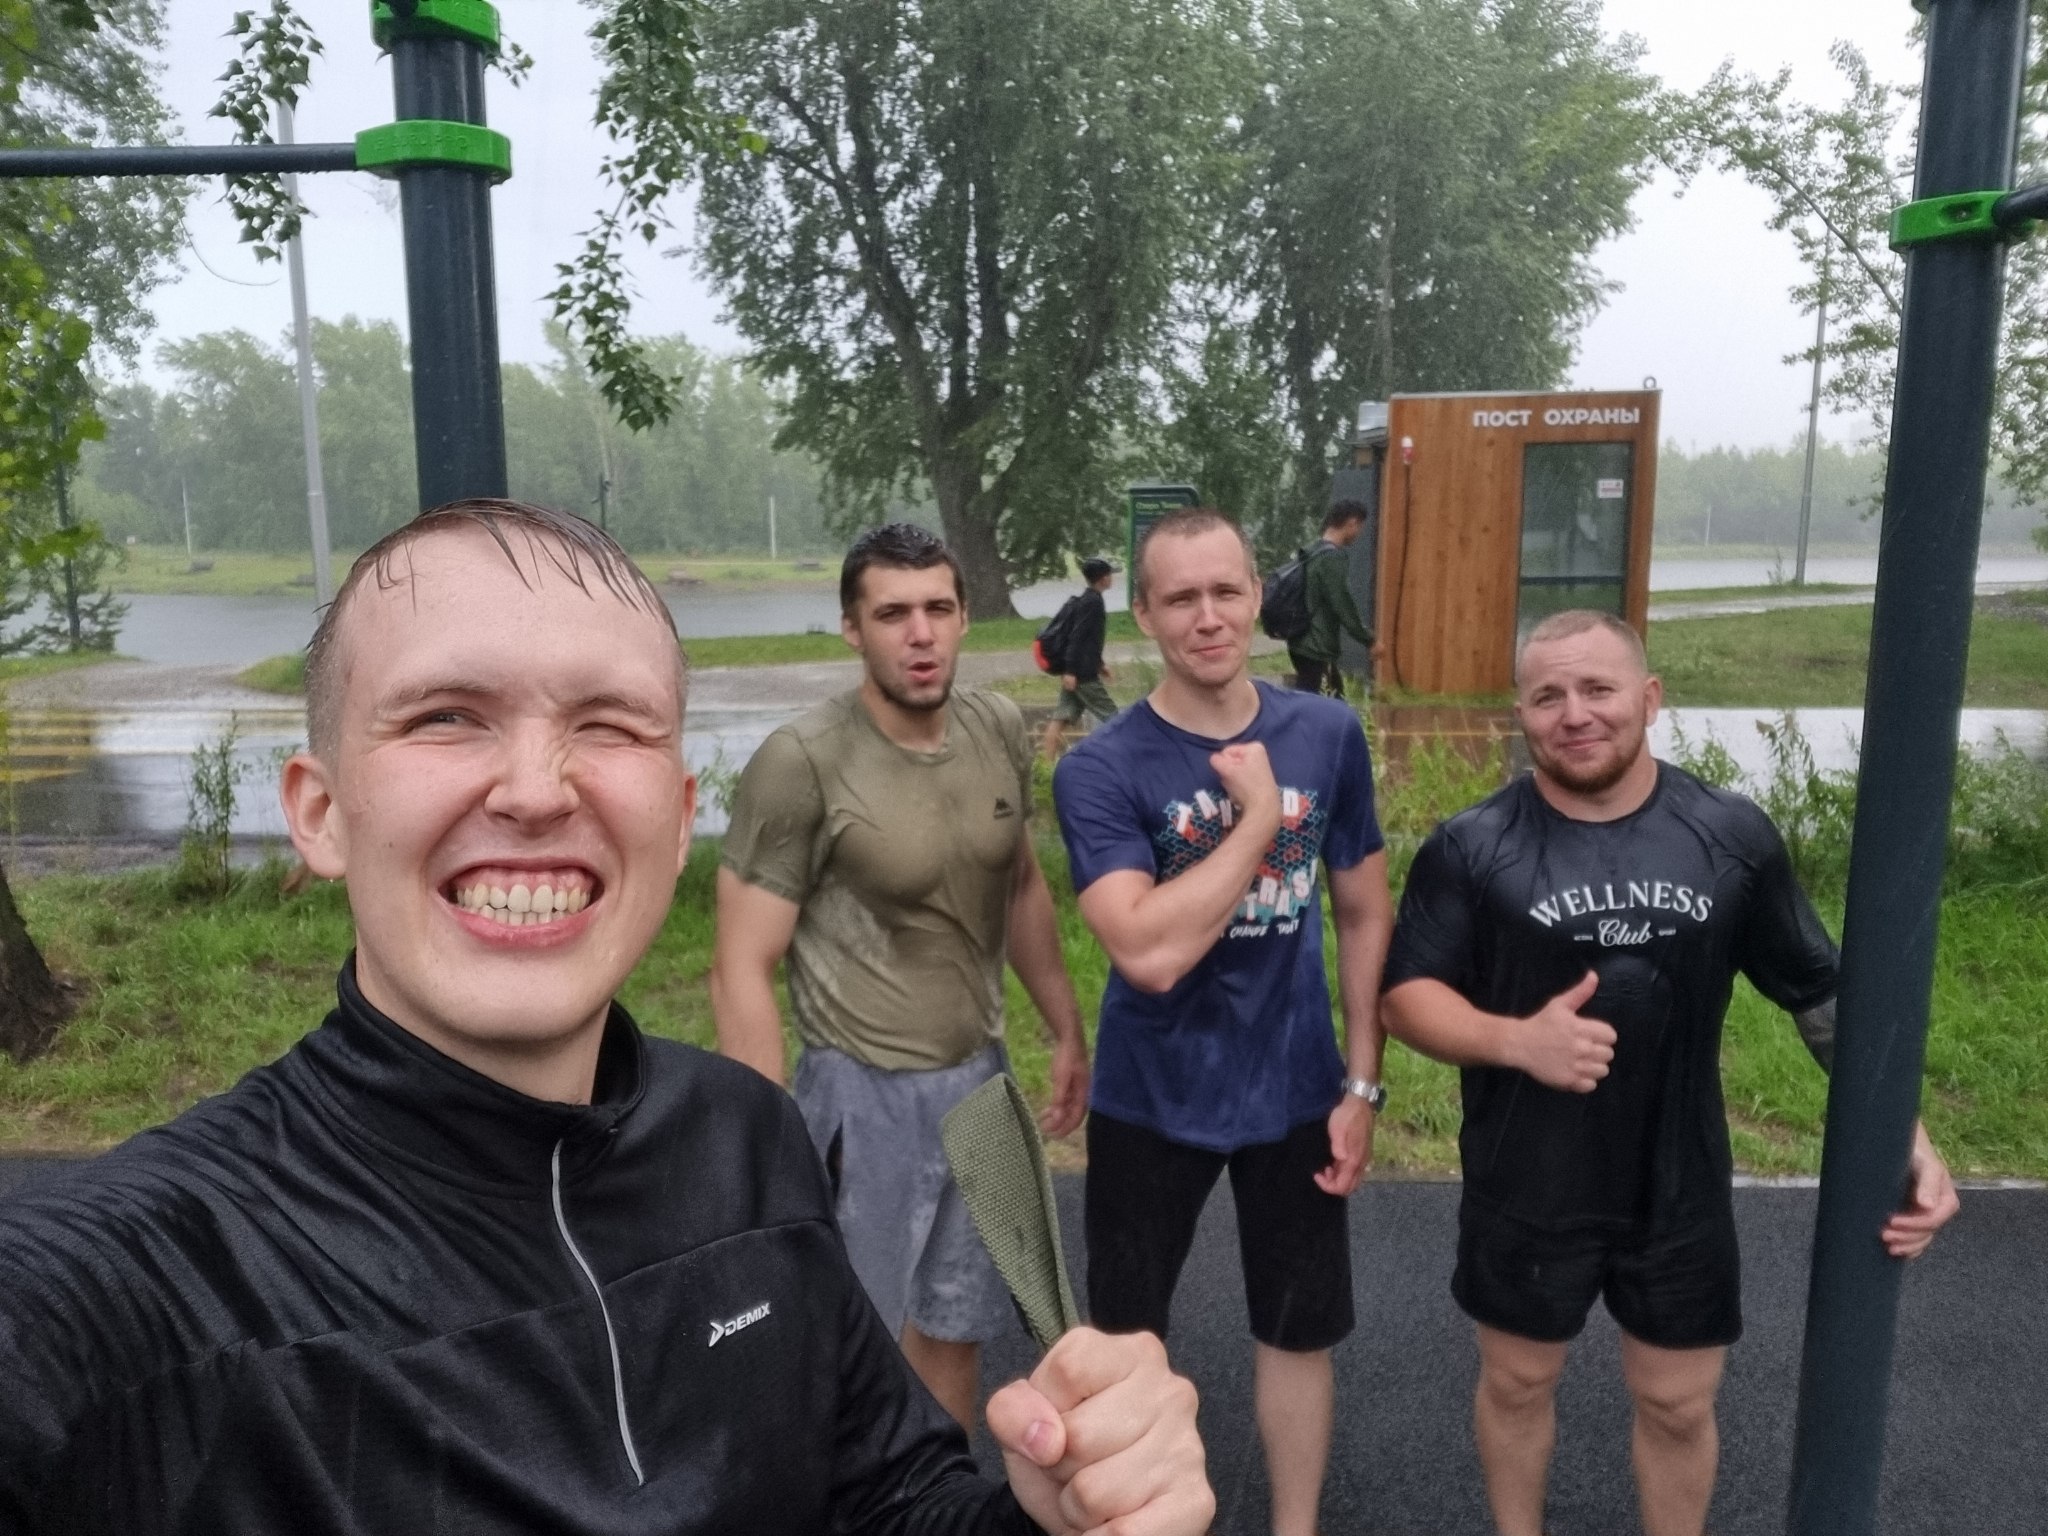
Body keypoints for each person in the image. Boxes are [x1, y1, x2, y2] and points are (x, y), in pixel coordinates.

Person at [0, 500, 1212, 1536]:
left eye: (608, 723)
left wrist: (1054, 1518)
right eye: (444, 716)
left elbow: (887, 1498)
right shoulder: (158, 1276)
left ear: (677, 818)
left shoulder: (746, 1143)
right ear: (318, 812)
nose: (536, 790)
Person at [1379, 608, 1961, 1536]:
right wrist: (1515, 1041)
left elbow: (1817, 992)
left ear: (1649, 698)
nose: (1575, 713)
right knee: (1518, 1382)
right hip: (1527, 1180)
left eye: (1598, 689)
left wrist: (1908, 1135)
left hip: (1677, 1185)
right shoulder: (1473, 845)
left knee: (1678, 1402)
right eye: (1548, 696)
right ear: (1521, 715)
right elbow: (1405, 996)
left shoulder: (1729, 835)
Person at [1051, 506, 1396, 1536]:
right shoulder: (1100, 768)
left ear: (1255, 597)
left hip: (1295, 1089)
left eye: (1225, 591)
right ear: (1144, 614)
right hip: (1149, 1096)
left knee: (1298, 1332)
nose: (1207, 617)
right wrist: (1255, 818)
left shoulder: (1326, 733)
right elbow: (1149, 953)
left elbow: (1363, 909)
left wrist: (1362, 1083)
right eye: (1181, 598)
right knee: (1124, 1343)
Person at [712, 522, 1092, 1431]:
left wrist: (1066, 1029)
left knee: (954, 1328)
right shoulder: (803, 762)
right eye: (892, 614)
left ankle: (934, 1494)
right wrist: (768, 1143)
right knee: (848, 1344)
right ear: (853, 628)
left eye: (937, 609)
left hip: (980, 1084)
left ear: (963, 616)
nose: (919, 634)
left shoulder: (996, 729)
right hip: (860, 1094)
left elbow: (1021, 885)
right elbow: (740, 963)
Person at [1288, 499, 1374, 698]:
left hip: (1299, 641)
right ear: (1352, 523)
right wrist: (1369, 639)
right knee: (1329, 703)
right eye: (1359, 527)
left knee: (1318, 700)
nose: (1358, 533)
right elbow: (1342, 603)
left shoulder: (1311, 551)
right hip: (1317, 646)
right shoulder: (1332, 557)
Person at [1039, 556, 1119, 759]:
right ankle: (1121, 760)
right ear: (1103, 578)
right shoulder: (1093, 602)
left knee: (1061, 718)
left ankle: (1045, 764)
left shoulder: (1088, 599)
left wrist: (1100, 664)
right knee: (1114, 719)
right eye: (1109, 574)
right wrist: (1071, 671)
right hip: (1083, 675)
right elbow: (1077, 636)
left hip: (1079, 671)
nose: (1112, 578)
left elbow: (1089, 641)